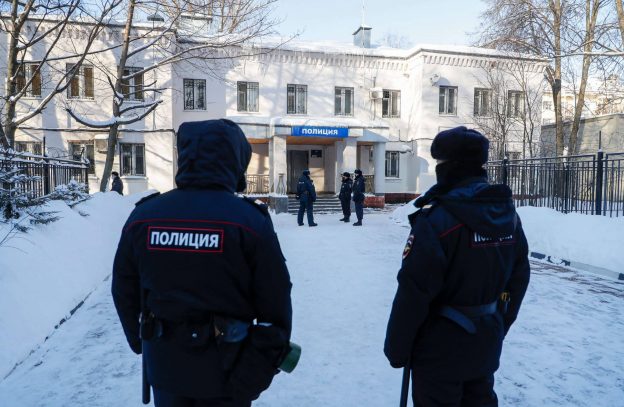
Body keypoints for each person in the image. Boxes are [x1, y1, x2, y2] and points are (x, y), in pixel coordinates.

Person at [112, 119, 293, 407]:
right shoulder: (248, 221)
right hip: (228, 371)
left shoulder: (145, 217)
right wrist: (255, 372)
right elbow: (275, 302)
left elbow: (124, 290)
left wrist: (141, 342)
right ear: (236, 159)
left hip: (167, 367)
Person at [384, 126, 530, 406]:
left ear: (448, 166)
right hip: (485, 342)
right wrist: (498, 323)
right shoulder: (506, 215)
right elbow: (519, 278)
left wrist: (397, 348)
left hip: (439, 351)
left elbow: (414, 292)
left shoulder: (437, 219)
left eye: (439, 163)